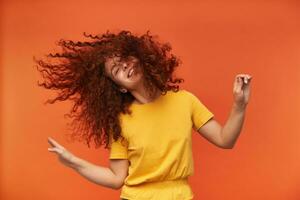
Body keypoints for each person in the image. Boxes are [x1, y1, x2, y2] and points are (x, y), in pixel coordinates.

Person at [37, 30, 252, 200]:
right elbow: (116, 179)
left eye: (125, 58)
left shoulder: (185, 101)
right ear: (119, 87)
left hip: (180, 196)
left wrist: (239, 105)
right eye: (117, 70)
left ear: (138, 57)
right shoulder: (120, 121)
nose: (125, 66)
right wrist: (73, 162)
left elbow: (225, 140)